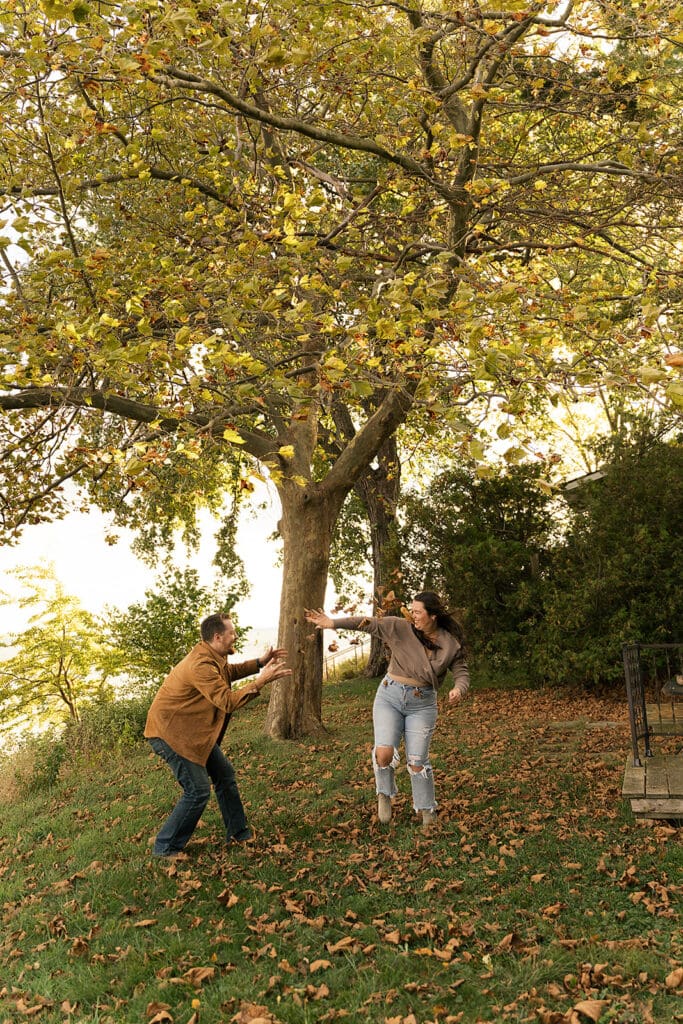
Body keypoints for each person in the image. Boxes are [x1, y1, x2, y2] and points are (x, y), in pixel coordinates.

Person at [305, 592, 468, 831]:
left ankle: (427, 811)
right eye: (412, 611)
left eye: (418, 612)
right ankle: (384, 793)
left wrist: (458, 688)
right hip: (389, 696)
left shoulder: (450, 643)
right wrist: (332, 622)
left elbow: (462, 671)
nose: (413, 616)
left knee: (417, 762)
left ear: (432, 616)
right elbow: (367, 623)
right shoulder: (400, 628)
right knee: (383, 753)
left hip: (422, 704)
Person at [144, 613, 290, 857]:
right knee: (198, 790)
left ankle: (238, 833)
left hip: (194, 733)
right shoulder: (200, 665)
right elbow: (227, 701)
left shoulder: (212, 655)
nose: (235, 636)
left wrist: (260, 662)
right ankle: (165, 847)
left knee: (225, 776)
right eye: (232, 632)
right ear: (218, 636)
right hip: (171, 734)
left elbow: (228, 673)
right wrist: (261, 681)